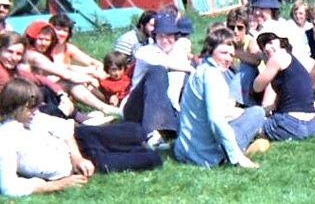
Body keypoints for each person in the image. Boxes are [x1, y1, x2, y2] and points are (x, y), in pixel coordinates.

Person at [0, 78, 163, 197]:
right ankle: (147, 145)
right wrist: (57, 185)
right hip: (84, 163)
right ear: (15, 107)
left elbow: (63, 128)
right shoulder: (7, 137)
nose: (35, 112)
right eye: (30, 109)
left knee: (134, 131)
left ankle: (148, 138)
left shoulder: (33, 117)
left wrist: (77, 158)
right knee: (151, 159)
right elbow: (9, 187)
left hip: (79, 143)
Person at [174, 28, 266, 168]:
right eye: (223, 53)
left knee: (246, 113)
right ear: (210, 50)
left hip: (185, 149)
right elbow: (216, 119)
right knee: (257, 113)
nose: (228, 58)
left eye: (231, 54)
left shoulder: (200, 71)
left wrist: (239, 113)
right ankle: (242, 150)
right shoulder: (213, 76)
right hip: (209, 155)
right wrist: (237, 157)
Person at [123, 13, 194, 149]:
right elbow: (163, 63)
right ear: (155, 37)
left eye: (169, 36)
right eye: (160, 36)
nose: (165, 40)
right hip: (137, 108)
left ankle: (163, 132)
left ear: (175, 37)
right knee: (158, 71)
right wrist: (189, 69)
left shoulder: (179, 53)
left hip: (169, 108)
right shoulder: (145, 52)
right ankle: (151, 133)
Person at [21, 20, 119, 115]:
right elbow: (65, 74)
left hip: (37, 91)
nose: (44, 43)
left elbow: (69, 67)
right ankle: (105, 107)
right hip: (29, 96)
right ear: (33, 39)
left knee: (77, 80)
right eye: (40, 39)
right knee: (71, 83)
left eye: (47, 40)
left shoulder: (39, 53)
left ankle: (106, 105)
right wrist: (89, 79)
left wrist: (92, 72)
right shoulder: (33, 56)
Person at [253, 25, 315, 141]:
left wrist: (263, 60)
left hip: (290, 123)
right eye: (264, 44)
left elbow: (257, 86)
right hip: (311, 125)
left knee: (247, 125)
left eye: (271, 42)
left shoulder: (278, 58)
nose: (267, 47)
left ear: (282, 41)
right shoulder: (291, 60)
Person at [49, 13, 105, 80]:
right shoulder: (44, 47)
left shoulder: (68, 48)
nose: (61, 33)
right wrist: (85, 70)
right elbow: (57, 69)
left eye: (65, 30)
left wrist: (99, 68)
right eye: (58, 29)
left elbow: (90, 61)